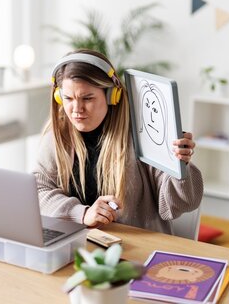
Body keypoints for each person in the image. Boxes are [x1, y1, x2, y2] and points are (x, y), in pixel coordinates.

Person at [33, 49, 203, 234]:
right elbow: (37, 190)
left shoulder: (143, 133)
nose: (76, 109)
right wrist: (82, 214)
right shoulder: (58, 134)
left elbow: (180, 204)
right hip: (79, 243)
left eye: (87, 98)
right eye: (68, 98)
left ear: (112, 96)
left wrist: (180, 167)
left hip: (135, 246)